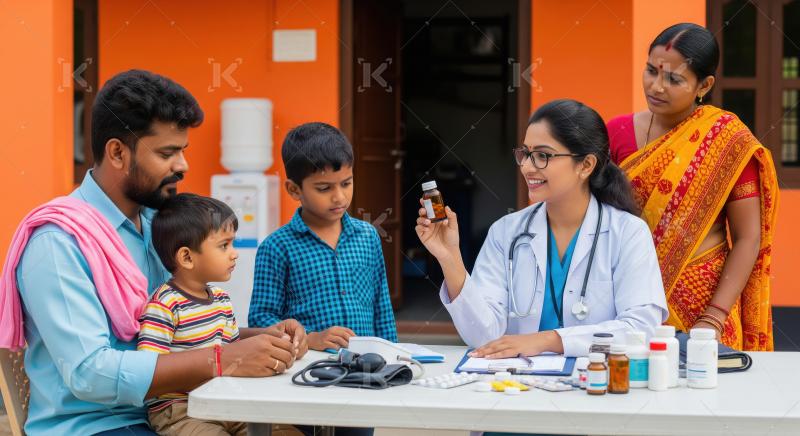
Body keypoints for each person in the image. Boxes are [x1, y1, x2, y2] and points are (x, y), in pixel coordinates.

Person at [1, 70, 306, 436]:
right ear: (117, 152)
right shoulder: (59, 243)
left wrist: (260, 340)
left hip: (176, 409)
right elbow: (89, 374)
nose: (183, 165)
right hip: (98, 425)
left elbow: (178, 332)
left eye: (183, 150)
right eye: (167, 153)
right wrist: (223, 359)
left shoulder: (157, 225)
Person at [415, 99, 668, 358]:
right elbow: (484, 337)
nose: (526, 166)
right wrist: (450, 259)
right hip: (518, 385)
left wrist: (548, 340)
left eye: (542, 156)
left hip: (595, 384)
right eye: (525, 153)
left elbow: (640, 330)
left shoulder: (628, 233)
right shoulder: (506, 232)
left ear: (586, 165)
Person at [606, 23, 778, 351]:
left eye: (674, 79)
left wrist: (714, 316)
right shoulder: (617, 133)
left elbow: (748, 237)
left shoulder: (727, 142)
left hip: (703, 309)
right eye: (651, 71)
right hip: (625, 300)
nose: (656, 86)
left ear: (704, 85)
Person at [139, 193, 302, 435]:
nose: (234, 253)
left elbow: (234, 350)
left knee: (284, 431)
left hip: (226, 400)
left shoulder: (222, 299)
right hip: (180, 410)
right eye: (224, 245)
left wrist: (272, 337)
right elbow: (149, 371)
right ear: (186, 257)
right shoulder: (165, 304)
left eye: (233, 243)